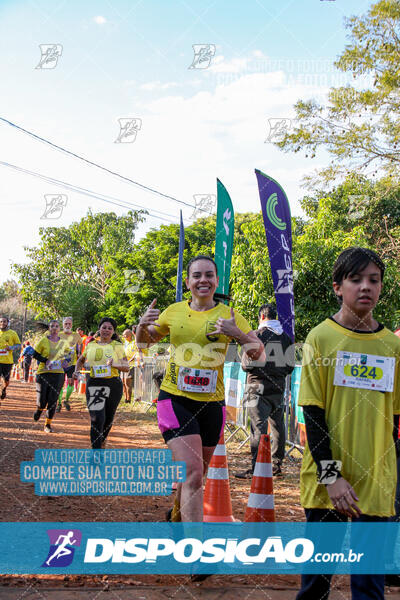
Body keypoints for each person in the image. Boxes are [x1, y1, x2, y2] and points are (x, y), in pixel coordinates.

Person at [296, 247, 400, 600]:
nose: (365, 287)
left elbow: (396, 419)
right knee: (316, 585)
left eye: (374, 280)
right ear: (338, 287)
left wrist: (389, 475)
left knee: (370, 588)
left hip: (375, 482)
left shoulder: (391, 346)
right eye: (355, 280)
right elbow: (312, 414)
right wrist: (332, 477)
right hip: (328, 481)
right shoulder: (320, 338)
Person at [136, 255, 264, 522]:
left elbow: (259, 355)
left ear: (217, 281)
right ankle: (195, 554)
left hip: (211, 406)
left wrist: (237, 334)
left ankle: (175, 517)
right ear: (188, 282)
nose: (203, 280)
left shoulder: (231, 316)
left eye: (209, 275)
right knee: (192, 471)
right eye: (197, 275)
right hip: (174, 399)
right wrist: (140, 326)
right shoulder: (173, 311)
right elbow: (144, 346)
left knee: (194, 475)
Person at [235, 303, 294, 478]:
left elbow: (246, 365)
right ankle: (276, 465)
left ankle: (257, 467)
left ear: (261, 317)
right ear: (276, 317)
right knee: (278, 426)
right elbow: (290, 366)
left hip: (255, 385)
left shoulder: (255, 335)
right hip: (278, 386)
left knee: (257, 427)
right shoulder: (286, 338)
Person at [74, 317, 128, 449]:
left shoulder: (117, 346)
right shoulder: (91, 345)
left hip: (113, 385)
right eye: (104, 327)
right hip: (94, 384)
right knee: (97, 419)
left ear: (113, 331)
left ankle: (102, 441)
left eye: (110, 328)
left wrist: (114, 364)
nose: (106, 330)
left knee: (108, 420)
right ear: (99, 329)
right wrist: (76, 371)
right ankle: (96, 453)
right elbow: (81, 360)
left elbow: (126, 367)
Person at [29, 320, 72, 433]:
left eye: (57, 326)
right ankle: (39, 410)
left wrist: (66, 361)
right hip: (43, 373)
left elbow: (69, 354)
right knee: (42, 401)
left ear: (59, 329)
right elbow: (34, 354)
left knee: (53, 400)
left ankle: (47, 425)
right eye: (52, 326)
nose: (54, 328)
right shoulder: (43, 341)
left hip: (58, 374)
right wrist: (46, 360)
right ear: (49, 328)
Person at [57, 317, 82, 412]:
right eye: (66, 324)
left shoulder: (76, 335)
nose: (67, 326)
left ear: (72, 325)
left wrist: (79, 353)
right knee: (60, 384)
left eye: (69, 324)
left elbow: (80, 344)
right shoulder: (59, 334)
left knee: (71, 382)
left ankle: (66, 400)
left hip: (72, 363)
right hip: (60, 363)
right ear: (63, 325)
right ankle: (58, 403)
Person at [0, 315, 21, 401]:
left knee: (6, 381)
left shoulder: (13, 333)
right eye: (1, 321)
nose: (2, 323)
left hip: (7, 361)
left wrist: (11, 348)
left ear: (7, 323)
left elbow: (18, 345)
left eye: (4, 321)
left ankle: (4, 389)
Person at [121, 328, 138, 403]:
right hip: (123, 365)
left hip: (130, 365)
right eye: (123, 334)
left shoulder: (134, 343)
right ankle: (125, 398)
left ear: (129, 335)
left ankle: (129, 399)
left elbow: (136, 353)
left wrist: (130, 360)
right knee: (123, 382)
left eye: (125, 334)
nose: (123, 336)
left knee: (128, 382)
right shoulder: (124, 343)